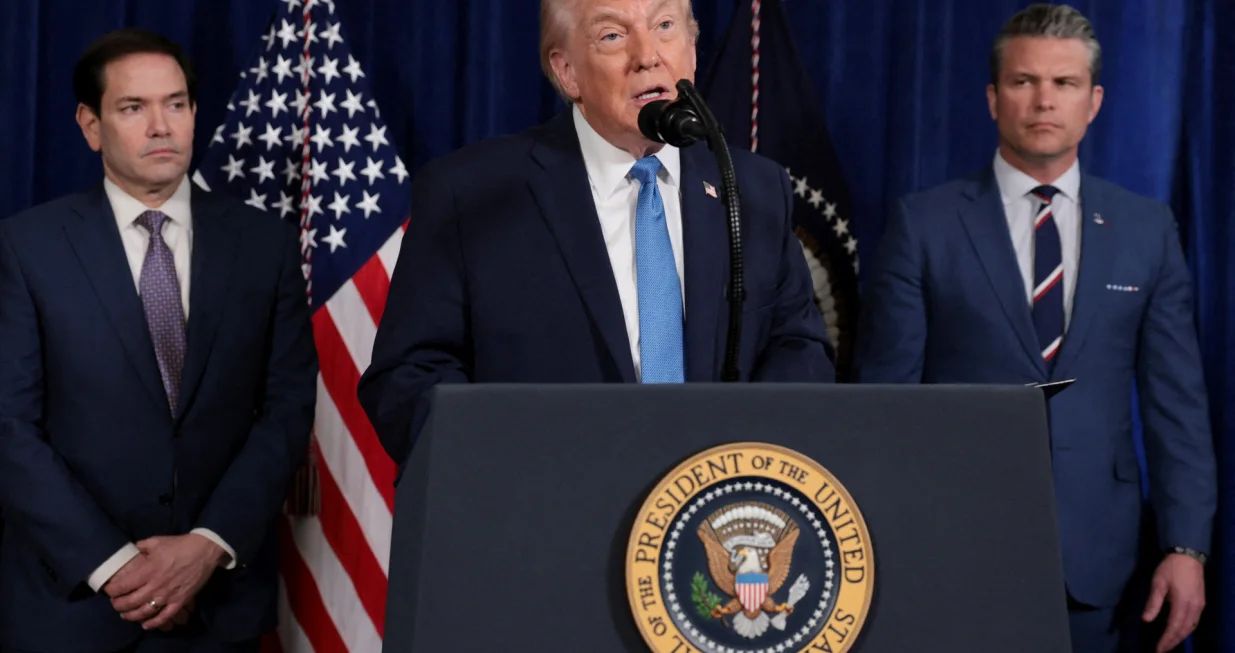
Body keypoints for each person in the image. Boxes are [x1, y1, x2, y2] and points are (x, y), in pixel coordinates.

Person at [854, 4, 1215, 652]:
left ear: (1093, 102)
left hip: (1102, 563)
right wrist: (888, 536)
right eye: (1023, 81)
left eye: (1064, 83)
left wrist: (1185, 545)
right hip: (953, 550)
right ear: (994, 98)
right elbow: (886, 402)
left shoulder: (1145, 229)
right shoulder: (923, 224)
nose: (1043, 100)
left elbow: (1176, 404)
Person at [358, 0, 835, 469]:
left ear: (691, 48)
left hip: (713, 503)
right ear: (567, 72)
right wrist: (512, 473)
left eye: (665, 25)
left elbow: (799, 348)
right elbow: (409, 376)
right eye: (612, 35)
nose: (647, 55)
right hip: (542, 505)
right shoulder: (471, 195)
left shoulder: (752, 189)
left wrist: (745, 461)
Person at [0, 29, 317, 652]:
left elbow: (286, 410)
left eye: (175, 104)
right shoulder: (25, 248)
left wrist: (207, 546)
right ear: (91, 126)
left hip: (218, 607)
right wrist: (119, 568)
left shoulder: (265, 246)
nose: (160, 126)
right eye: (133, 107)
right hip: (72, 608)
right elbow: (9, 426)